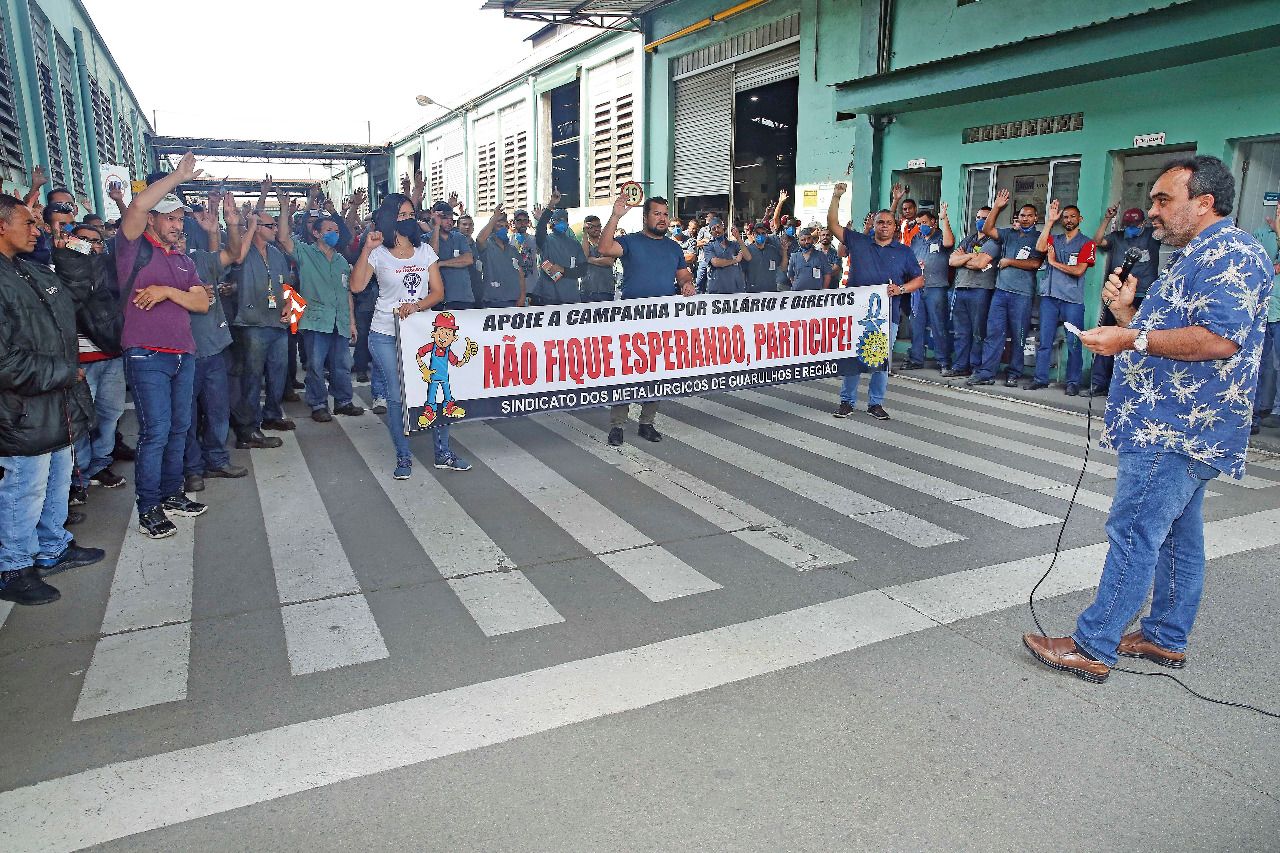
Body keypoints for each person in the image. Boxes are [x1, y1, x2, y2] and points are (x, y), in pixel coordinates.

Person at [1024, 155, 1273, 682]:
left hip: (1178, 426)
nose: (1152, 210)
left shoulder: (1231, 253)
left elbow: (1219, 339)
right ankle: (1164, 637)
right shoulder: (1194, 255)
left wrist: (1131, 337)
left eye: (1164, 199)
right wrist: (1126, 316)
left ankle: (1093, 645)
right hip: (1171, 421)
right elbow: (1166, 335)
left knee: (1135, 530)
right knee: (1178, 536)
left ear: (1204, 202)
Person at [0, 193, 108, 604]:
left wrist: (71, 254)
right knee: (23, 491)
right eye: (28, 222)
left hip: (54, 404)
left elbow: (73, 296)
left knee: (55, 482)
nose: (38, 229)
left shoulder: (28, 269)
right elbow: (4, 362)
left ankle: (52, 547)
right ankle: (14, 568)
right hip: (22, 410)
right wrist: (63, 372)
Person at [114, 152, 212, 539]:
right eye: (169, 217)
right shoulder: (132, 247)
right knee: (155, 431)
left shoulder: (183, 260)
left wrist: (168, 291)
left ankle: (172, 495)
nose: (176, 224)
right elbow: (137, 205)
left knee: (178, 428)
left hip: (183, 354)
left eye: (180, 218)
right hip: (146, 354)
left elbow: (201, 303)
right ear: (153, 219)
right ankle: (149, 507)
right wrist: (177, 177)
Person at [350, 193, 470, 478]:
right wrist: (366, 249)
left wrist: (416, 306)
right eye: (401, 215)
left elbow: (438, 292)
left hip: (421, 333)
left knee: (436, 389)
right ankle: (403, 456)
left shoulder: (425, 251)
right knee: (397, 395)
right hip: (385, 333)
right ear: (390, 219)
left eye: (411, 215)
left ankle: (443, 452)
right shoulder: (378, 253)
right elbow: (356, 286)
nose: (407, 220)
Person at [595, 193, 696, 446]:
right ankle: (617, 425)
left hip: (661, 322)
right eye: (656, 214)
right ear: (645, 217)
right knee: (626, 373)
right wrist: (615, 216)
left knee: (656, 373)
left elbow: (683, 275)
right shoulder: (630, 242)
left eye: (665, 214)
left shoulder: (673, 247)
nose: (662, 219)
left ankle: (647, 423)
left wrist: (687, 283)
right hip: (632, 322)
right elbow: (604, 249)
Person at [827, 187, 925, 421]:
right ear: (874, 224)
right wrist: (836, 197)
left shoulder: (904, 252)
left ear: (895, 226)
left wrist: (901, 289)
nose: (884, 226)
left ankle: (876, 404)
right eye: (880, 222)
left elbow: (919, 280)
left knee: (881, 361)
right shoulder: (859, 242)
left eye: (889, 223)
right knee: (853, 358)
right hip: (856, 313)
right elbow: (832, 224)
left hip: (887, 315)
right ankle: (847, 402)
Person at [180, 192, 251, 494]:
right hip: (182, 353)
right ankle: (192, 469)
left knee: (218, 410)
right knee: (186, 416)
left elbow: (233, 253)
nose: (178, 239)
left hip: (212, 349)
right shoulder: (152, 266)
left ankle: (217, 459)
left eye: (182, 234)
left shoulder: (198, 260)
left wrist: (230, 224)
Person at [275, 193, 365, 425]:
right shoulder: (305, 253)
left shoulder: (341, 261)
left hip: (339, 320)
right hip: (316, 320)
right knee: (315, 366)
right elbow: (283, 238)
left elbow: (347, 292)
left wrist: (352, 322)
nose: (334, 234)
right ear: (316, 233)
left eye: (336, 230)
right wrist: (284, 208)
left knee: (342, 365)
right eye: (329, 230)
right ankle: (318, 404)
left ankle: (343, 401)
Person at [230, 205, 295, 443]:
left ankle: (272, 415)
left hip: (277, 323)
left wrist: (289, 304)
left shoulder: (277, 254)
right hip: (252, 323)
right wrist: (248, 228)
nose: (276, 229)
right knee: (252, 376)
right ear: (257, 228)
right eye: (271, 226)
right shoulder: (244, 249)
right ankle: (248, 427)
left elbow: (287, 285)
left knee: (278, 372)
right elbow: (236, 257)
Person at [970, 192, 1043, 387]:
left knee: (1019, 335)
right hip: (1000, 292)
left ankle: (1014, 373)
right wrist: (997, 207)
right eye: (1022, 215)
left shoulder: (1038, 238)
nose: (1025, 218)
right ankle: (986, 373)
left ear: (1036, 218)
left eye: (1029, 215)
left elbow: (1035, 263)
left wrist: (1010, 261)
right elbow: (987, 229)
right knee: (993, 333)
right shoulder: (1009, 234)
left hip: (1022, 295)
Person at [1088, 205, 1161, 396]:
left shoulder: (1152, 236)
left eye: (1134, 225)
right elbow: (1096, 241)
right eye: (1128, 225)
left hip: (1143, 297)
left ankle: (1128, 386)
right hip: (1116, 297)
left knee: (1135, 342)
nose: (1131, 229)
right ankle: (1099, 383)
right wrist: (1107, 218)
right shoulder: (1118, 238)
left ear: (1142, 224)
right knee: (1107, 337)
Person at [1029, 201, 1095, 395]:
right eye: (1065, 217)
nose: (1069, 220)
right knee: (1045, 341)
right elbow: (1039, 247)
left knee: (1074, 343)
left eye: (1073, 216)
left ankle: (1073, 382)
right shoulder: (1054, 239)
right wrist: (1049, 222)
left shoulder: (1087, 243)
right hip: (1049, 298)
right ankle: (1040, 379)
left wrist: (1053, 262)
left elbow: (1079, 270)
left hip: (1072, 300)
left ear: (1080, 219)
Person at [944, 207, 999, 377]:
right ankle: (960, 366)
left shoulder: (994, 241)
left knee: (978, 332)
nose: (980, 221)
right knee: (961, 332)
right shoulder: (969, 239)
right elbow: (952, 261)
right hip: (961, 289)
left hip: (981, 290)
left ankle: (976, 367)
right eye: (978, 217)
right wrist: (971, 256)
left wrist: (964, 258)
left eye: (985, 218)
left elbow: (980, 264)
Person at [906, 206, 955, 370]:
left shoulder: (941, 236)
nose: (922, 226)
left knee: (938, 325)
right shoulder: (916, 238)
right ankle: (916, 359)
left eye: (924, 222)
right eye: (919, 223)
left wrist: (944, 219)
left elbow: (949, 243)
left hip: (936, 288)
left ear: (933, 222)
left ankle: (943, 361)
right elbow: (910, 258)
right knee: (916, 325)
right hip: (917, 288)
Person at [533, 192, 587, 304]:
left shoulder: (575, 245)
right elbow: (541, 229)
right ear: (552, 223)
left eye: (564, 220)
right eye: (558, 220)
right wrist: (551, 204)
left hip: (570, 297)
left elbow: (583, 270)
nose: (562, 223)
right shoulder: (545, 241)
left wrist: (563, 270)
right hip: (548, 297)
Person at [1253, 212, 1280, 432]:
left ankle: (1277, 411)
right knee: (1257, 364)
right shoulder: (1262, 233)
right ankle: (1254, 414)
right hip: (1264, 310)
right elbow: (1256, 265)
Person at [428, 201, 475, 311]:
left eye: (451, 219)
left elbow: (468, 259)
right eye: (445, 218)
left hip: (463, 298)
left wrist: (441, 263)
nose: (450, 222)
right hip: (439, 300)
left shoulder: (460, 237)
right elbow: (431, 256)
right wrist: (436, 227)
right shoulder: (426, 238)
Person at [475, 206, 525, 308]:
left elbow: (521, 274)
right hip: (493, 300)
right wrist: (494, 217)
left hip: (514, 300)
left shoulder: (513, 249)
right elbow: (479, 239)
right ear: (492, 229)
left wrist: (522, 296)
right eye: (499, 226)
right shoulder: (486, 246)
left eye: (505, 226)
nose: (503, 229)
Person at [702, 219, 749, 294]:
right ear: (711, 233)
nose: (716, 230)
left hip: (736, 289)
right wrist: (735, 260)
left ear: (723, 228)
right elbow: (715, 262)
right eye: (713, 229)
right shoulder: (709, 246)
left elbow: (748, 257)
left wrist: (738, 238)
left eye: (718, 227)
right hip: (718, 290)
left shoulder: (734, 245)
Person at [581, 214, 616, 302]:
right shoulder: (584, 244)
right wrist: (584, 234)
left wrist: (590, 259)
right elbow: (583, 257)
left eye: (598, 226)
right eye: (592, 227)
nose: (596, 229)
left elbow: (609, 261)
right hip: (587, 291)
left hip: (606, 290)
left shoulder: (608, 243)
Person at [743, 222, 784, 293]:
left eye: (763, 233)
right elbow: (742, 272)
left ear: (766, 235)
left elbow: (783, 267)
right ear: (753, 235)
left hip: (771, 292)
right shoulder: (747, 251)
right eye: (757, 233)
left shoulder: (772, 250)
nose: (760, 235)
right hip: (753, 292)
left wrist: (785, 251)